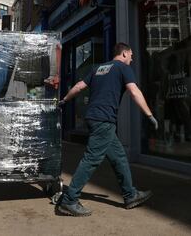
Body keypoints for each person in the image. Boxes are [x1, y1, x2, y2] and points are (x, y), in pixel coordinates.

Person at [56, 42, 158, 217]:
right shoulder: (122, 68)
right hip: (103, 120)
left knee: (119, 157)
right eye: (131, 55)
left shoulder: (98, 68)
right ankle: (69, 200)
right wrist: (149, 115)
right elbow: (134, 91)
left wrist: (65, 100)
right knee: (91, 159)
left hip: (94, 118)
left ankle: (130, 194)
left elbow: (79, 86)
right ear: (124, 53)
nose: (132, 59)